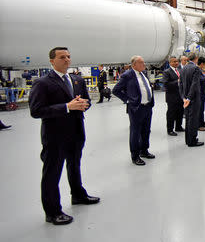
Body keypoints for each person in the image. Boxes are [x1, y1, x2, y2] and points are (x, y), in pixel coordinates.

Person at [29, 47, 99, 226]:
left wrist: (84, 104)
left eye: (68, 56)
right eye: (62, 57)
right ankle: (52, 212)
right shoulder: (43, 83)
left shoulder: (76, 80)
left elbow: (85, 101)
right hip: (55, 135)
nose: (67, 60)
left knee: (74, 165)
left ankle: (78, 195)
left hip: (76, 131)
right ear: (52, 61)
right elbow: (36, 111)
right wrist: (67, 107)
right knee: (52, 172)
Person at [112, 55, 155, 166]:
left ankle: (144, 150)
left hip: (147, 106)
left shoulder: (143, 74)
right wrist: (128, 100)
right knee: (135, 132)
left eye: (143, 62)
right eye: (141, 62)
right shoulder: (128, 75)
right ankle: (135, 156)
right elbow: (116, 90)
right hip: (136, 108)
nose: (143, 64)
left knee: (146, 130)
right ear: (134, 65)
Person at [179, 52, 204, 147]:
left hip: (186, 99)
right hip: (193, 98)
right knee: (193, 120)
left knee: (188, 119)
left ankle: (188, 140)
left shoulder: (183, 68)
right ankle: (192, 141)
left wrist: (184, 98)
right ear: (196, 59)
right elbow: (194, 84)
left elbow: (180, 85)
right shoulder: (195, 68)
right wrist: (189, 98)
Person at [161, 56, 185, 136]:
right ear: (170, 63)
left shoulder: (179, 70)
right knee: (171, 114)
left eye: (177, 61)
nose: (176, 63)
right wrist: (177, 82)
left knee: (180, 112)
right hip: (172, 97)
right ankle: (170, 129)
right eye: (174, 61)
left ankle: (178, 126)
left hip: (180, 96)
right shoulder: (167, 72)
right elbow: (166, 84)